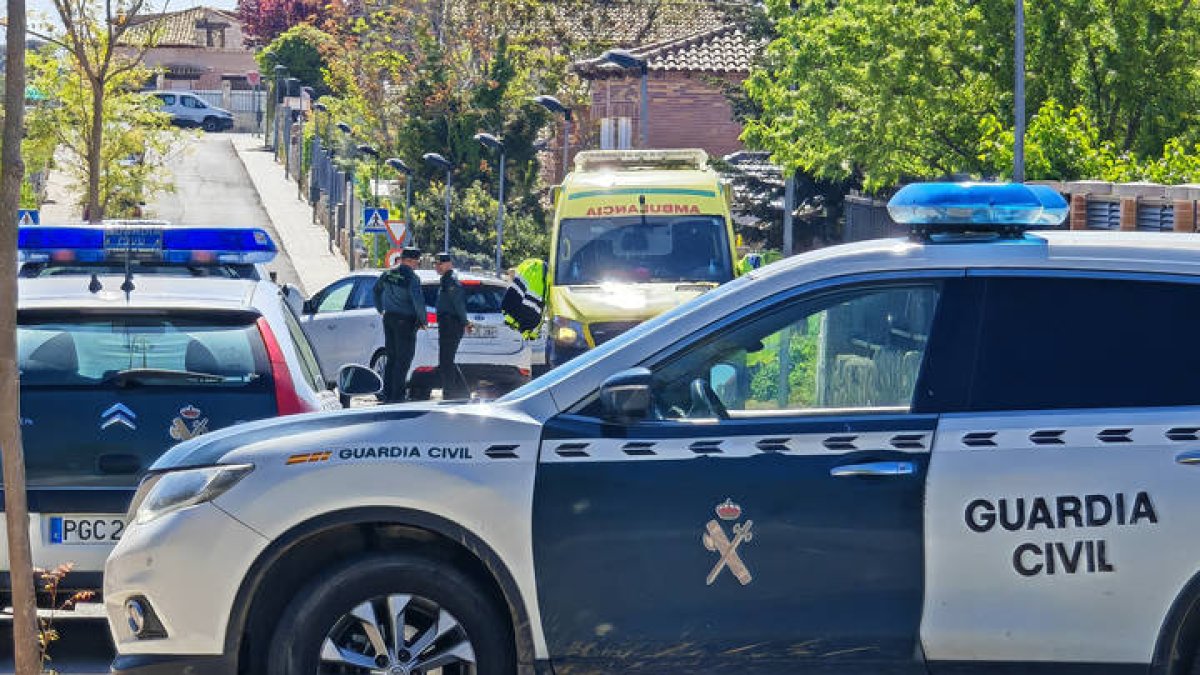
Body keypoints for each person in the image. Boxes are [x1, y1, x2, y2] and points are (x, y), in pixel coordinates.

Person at [373, 247, 426, 402]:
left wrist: (380, 309)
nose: (417, 264)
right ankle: (398, 396)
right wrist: (423, 320)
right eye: (417, 261)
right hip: (405, 322)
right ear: (410, 260)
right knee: (403, 360)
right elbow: (418, 301)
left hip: (388, 318)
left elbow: (376, 290)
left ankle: (388, 394)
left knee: (392, 358)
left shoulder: (388, 273)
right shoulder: (412, 278)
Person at [434, 252, 470, 400]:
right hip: (446, 323)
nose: (437, 267)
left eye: (440, 264)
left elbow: (458, 303)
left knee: (446, 360)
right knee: (446, 360)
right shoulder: (445, 280)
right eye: (436, 264)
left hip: (451, 324)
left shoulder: (450, 281)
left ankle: (450, 393)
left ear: (448, 264)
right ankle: (461, 392)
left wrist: (465, 322)